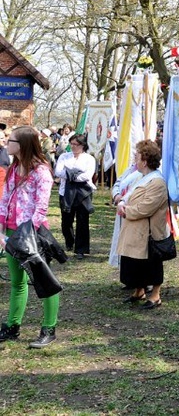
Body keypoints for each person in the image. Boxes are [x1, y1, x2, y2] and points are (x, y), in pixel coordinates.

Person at [0, 126, 59, 348]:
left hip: (31, 235)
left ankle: (48, 329)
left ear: (23, 144)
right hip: (11, 232)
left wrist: (26, 235)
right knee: (17, 282)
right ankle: (12, 325)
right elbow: (5, 198)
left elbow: (40, 208)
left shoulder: (41, 172)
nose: (7, 142)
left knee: (45, 282)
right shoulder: (14, 168)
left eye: (11, 140)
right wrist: (2, 228)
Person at [116, 140, 169, 310]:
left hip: (149, 232)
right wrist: (123, 202)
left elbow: (147, 207)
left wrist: (126, 211)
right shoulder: (143, 178)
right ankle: (139, 291)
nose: (135, 160)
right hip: (136, 229)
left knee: (151, 264)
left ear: (145, 161)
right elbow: (130, 195)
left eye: (137, 157)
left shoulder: (157, 182)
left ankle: (155, 295)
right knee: (135, 263)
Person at [54, 134, 96, 258]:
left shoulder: (89, 158)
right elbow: (58, 172)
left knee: (82, 220)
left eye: (75, 144)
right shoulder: (64, 156)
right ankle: (70, 240)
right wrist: (74, 174)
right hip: (65, 192)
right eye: (71, 143)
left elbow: (87, 175)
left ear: (82, 146)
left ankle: (80, 249)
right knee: (66, 220)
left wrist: (71, 175)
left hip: (83, 192)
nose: (73, 146)